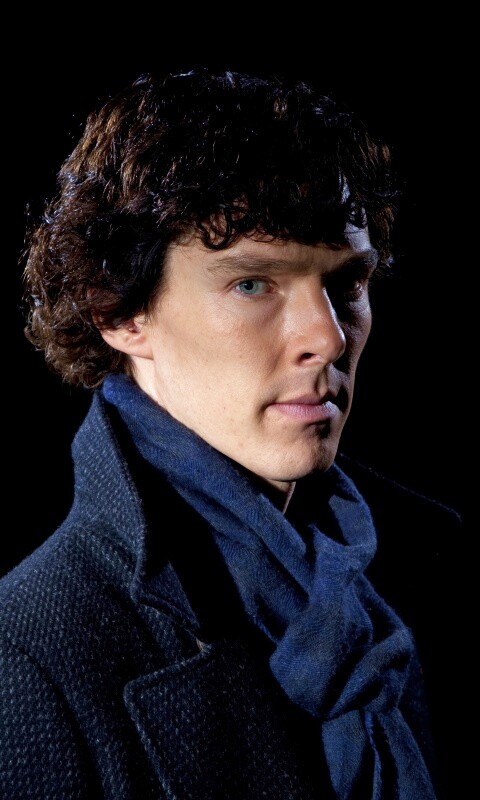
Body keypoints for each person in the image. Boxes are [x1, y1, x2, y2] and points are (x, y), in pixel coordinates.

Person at [0, 68, 461, 800]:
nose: (328, 338)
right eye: (252, 284)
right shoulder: (31, 652)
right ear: (118, 311)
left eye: (345, 285)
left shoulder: (438, 565)